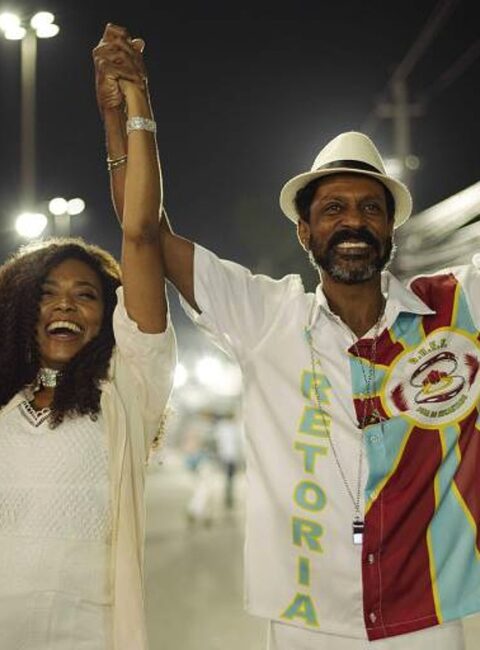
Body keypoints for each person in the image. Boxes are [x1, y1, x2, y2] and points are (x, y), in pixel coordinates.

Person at [94, 25, 480, 650]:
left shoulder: (460, 307)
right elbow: (148, 233)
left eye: (370, 208)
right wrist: (127, 114)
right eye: (333, 209)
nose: (353, 221)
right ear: (304, 232)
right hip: (305, 622)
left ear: (391, 228)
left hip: (428, 620)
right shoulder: (266, 316)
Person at [0, 30, 175, 650]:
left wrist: (127, 110)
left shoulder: (126, 392)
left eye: (86, 294)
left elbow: (142, 236)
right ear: (21, 310)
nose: (66, 305)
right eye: (47, 293)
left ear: (109, 317)